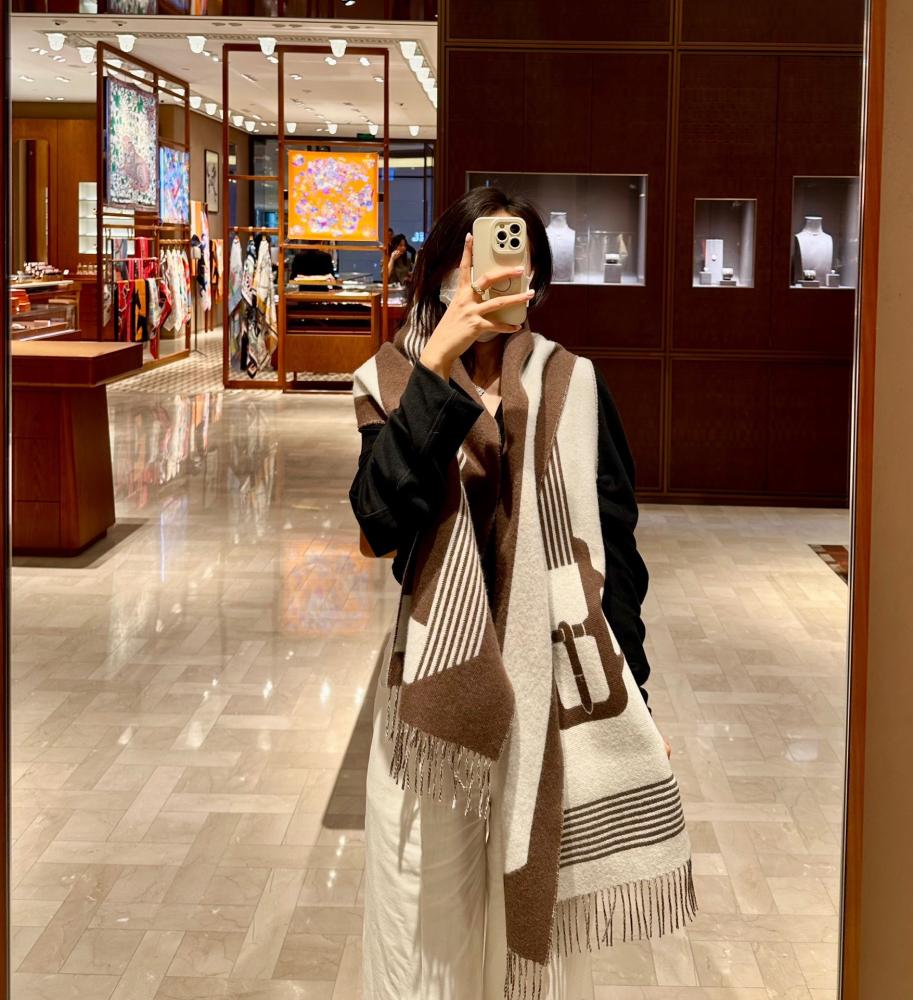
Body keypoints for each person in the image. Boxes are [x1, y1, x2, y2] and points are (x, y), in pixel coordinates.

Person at [349, 188, 697, 1000]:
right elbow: (377, 525)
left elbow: (614, 555)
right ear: (440, 270)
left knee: (527, 922)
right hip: (435, 696)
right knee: (421, 923)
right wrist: (436, 368)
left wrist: (636, 698)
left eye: (517, 264)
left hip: (551, 686)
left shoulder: (572, 384)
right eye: (473, 259)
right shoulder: (392, 377)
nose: (495, 278)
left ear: (535, 281)